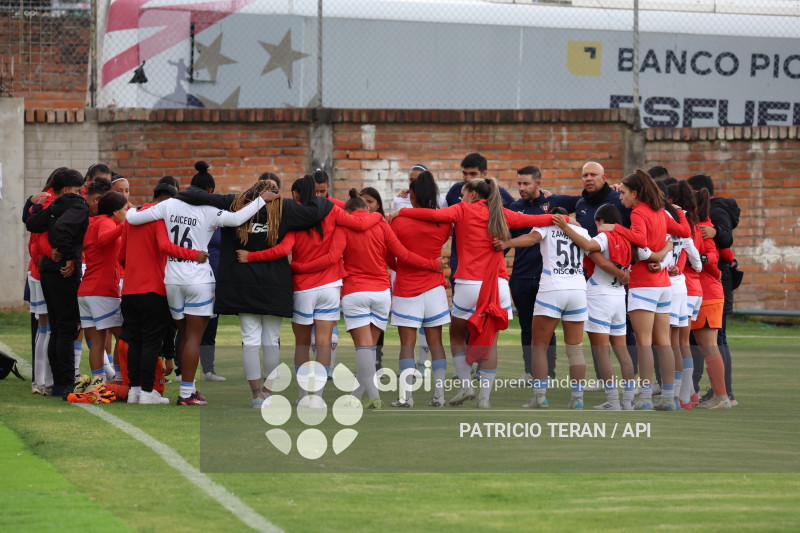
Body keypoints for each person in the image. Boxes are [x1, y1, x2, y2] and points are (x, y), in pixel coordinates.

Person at [393, 177, 558, 409]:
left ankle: (466, 385)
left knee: (456, 335)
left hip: (469, 283)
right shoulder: (501, 212)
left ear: (472, 194)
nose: (461, 197)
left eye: (463, 193)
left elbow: (432, 215)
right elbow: (534, 219)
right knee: (491, 341)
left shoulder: (462, 210)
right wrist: (560, 219)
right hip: (498, 284)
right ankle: (484, 400)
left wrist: (401, 213)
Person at [125, 161, 274, 406]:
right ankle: (185, 394)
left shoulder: (169, 204)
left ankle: (189, 388)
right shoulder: (208, 209)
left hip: (172, 279)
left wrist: (128, 210)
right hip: (198, 278)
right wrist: (262, 200)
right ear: (209, 191)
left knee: (183, 335)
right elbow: (237, 219)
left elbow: (135, 219)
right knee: (194, 337)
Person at [182, 176, 334, 408]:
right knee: (271, 340)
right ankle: (268, 392)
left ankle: (256, 396)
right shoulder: (286, 207)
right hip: (275, 284)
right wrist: (325, 199)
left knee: (250, 341)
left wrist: (177, 194)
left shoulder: (234, 203)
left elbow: (199, 196)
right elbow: (317, 210)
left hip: (242, 285)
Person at [289, 189, 441, 409]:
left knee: (363, 348)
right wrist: (432, 265)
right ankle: (357, 395)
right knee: (369, 349)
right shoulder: (382, 225)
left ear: (348, 211)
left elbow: (332, 257)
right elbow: (403, 256)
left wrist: (297, 268)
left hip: (355, 291)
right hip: (381, 293)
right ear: (367, 208)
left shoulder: (345, 226)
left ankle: (375, 396)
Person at [237, 175, 383, 402]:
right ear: (317, 192)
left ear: (296, 195)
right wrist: (379, 216)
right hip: (331, 286)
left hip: (304, 289)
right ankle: (318, 397)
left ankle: (304, 395)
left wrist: (252, 256)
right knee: (323, 342)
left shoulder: (294, 217)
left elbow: (281, 250)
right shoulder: (333, 211)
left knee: (302, 344)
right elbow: (359, 223)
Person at [597, 169, 690, 410]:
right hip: (663, 285)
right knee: (664, 342)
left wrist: (615, 228)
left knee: (644, 343)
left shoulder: (638, 211)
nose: (621, 197)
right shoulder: (660, 211)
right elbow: (685, 231)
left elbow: (639, 238)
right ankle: (669, 399)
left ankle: (646, 398)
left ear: (636, 193)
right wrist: (678, 216)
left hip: (644, 283)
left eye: (625, 193)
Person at [493, 207, 591, 409]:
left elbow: (531, 239)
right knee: (575, 349)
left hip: (552, 288)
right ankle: (578, 399)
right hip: (578, 290)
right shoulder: (581, 231)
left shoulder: (546, 225)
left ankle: (540, 397)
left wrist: (507, 243)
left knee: (539, 345)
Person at [119, 183, 207, 405]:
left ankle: (134, 390)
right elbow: (165, 246)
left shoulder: (131, 218)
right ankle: (148, 391)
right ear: (169, 201)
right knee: (151, 341)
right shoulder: (159, 218)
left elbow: (121, 255)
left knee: (135, 341)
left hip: (129, 290)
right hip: (153, 289)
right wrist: (193, 254)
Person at [551, 205, 642, 410]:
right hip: (620, 297)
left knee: (601, 352)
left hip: (600, 295)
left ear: (601, 221)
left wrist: (566, 227)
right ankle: (628, 401)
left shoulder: (604, 236)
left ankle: (612, 401)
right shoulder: (626, 238)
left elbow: (587, 244)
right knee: (622, 351)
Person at [506, 166, 578, 384]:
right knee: (527, 327)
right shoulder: (514, 207)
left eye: (526, 183)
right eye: (519, 183)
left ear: (538, 183)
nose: (521, 188)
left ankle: (549, 372)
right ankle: (530, 372)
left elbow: (585, 200)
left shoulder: (553, 202)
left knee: (546, 328)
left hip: (546, 278)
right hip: (520, 276)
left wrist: (613, 188)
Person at [26, 169, 90, 399]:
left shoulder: (52, 206)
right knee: (67, 327)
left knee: (55, 327)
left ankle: (57, 382)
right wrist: (69, 256)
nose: (81, 193)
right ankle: (64, 383)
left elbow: (32, 224)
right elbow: (63, 230)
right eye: (78, 190)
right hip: (63, 271)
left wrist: (37, 206)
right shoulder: (77, 205)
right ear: (67, 190)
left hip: (47, 272)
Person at [389, 171, 452, 406]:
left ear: (412, 195)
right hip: (435, 288)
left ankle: (406, 397)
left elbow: (390, 255)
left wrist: (402, 267)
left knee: (407, 344)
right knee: (436, 343)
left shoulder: (398, 221)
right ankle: (439, 395)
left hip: (407, 287)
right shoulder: (444, 221)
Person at [687, 174, 740, 405]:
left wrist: (701, 259)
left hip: (706, 293)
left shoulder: (703, 225)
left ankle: (720, 396)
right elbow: (726, 255)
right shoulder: (702, 224)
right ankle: (710, 395)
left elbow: (718, 253)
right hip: (707, 291)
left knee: (710, 346)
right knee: (705, 346)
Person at [78, 191, 128, 387]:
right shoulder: (106, 223)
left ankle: (99, 383)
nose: (128, 212)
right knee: (124, 334)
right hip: (102, 290)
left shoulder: (92, 222)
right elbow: (104, 238)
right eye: (126, 209)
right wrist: (125, 225)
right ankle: (119, 377)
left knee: (98, 342)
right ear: (116, 212)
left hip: (86, 291)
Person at [445, 153, 514, 289]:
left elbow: (517, 220)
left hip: (489, 263)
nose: (468, 178)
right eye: (465, 173)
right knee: (464, 306)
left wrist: (504, 245)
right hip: (460, 262)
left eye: (473, 174)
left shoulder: (499, 194)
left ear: (484, 174)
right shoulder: (455, 191)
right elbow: (443, 218)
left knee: (489, 307)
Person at [666, 181, 704, 409]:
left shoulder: (671, 225)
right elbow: (698, 261)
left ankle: (680, 396)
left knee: (673, 342)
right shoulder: (696, 224)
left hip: (679, 287)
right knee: (683, 342)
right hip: (692, 288)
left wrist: (679, 266)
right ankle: (689, 395)